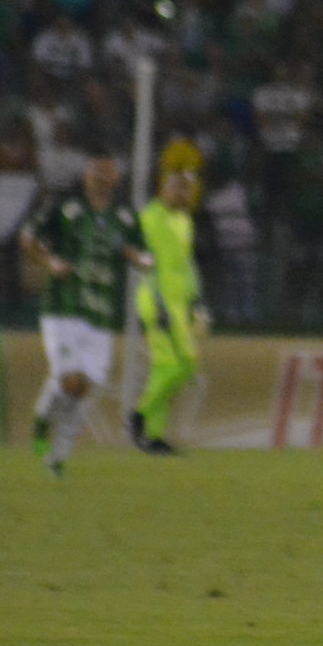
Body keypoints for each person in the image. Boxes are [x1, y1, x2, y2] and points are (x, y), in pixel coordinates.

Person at [21, 149, 150, 476]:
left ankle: (57, 457)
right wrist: (50, 262)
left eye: (108, 173)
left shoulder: (126, 217)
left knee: (83, 388)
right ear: (86, 176)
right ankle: (43, 425)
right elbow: (28, 237)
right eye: (96, 172)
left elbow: (143, 254)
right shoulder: (66, 208)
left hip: (101, 314)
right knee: (70, 380)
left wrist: (140, 260)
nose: (102, 179)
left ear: (117, 178)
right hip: (62, 307)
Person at [129, 167, 205, 455]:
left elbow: (186, 265)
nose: (181, 193)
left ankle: (153, 437)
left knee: (165, 369)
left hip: (180, 304)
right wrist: (159, 304)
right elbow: (145, 261)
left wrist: (196, 301)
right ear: (162, 189)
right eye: (175, 186)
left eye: (185, 188)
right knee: (186, 364)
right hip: (159, 302)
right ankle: (139, 414)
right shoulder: (152, 217)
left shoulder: (184, 220)